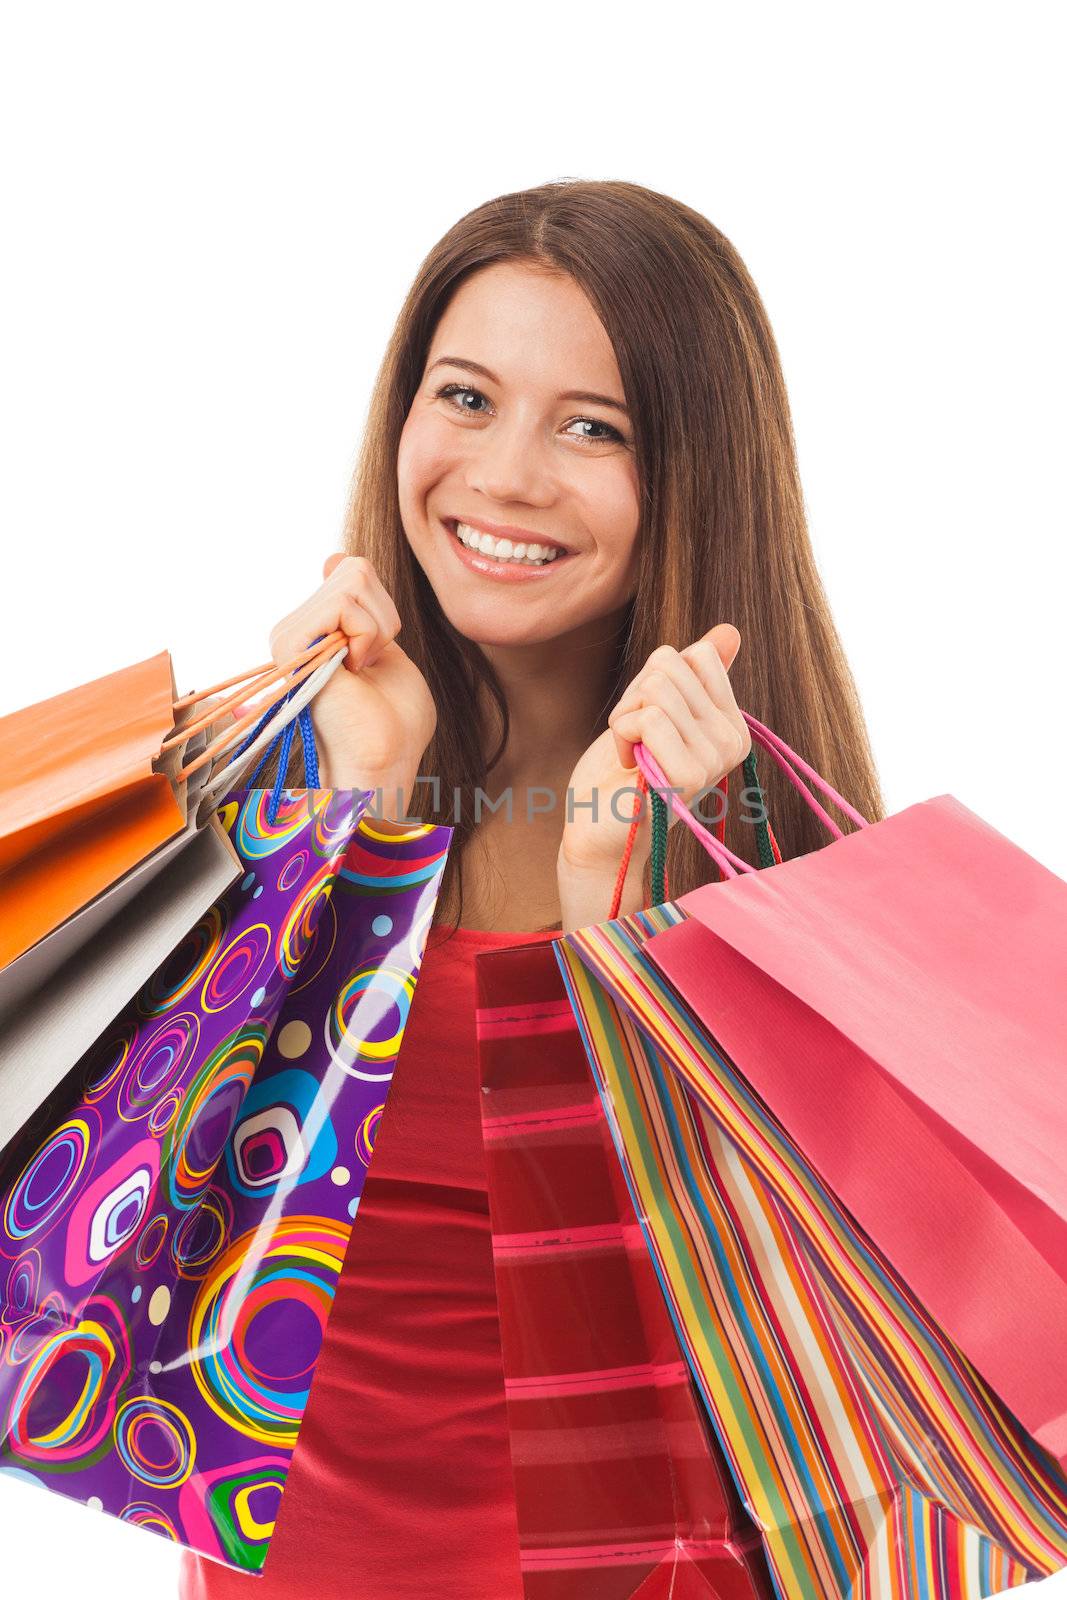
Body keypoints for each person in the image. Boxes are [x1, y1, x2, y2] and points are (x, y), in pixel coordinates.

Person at [180, 177, 884, 1598]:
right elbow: (152, 1244)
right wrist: (340, 836)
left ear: (695, 472)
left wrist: (622, 938)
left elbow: (784, 1373)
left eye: (593, 428)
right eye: (466, 397)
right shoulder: (263, 775)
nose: (503, 475)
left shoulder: (786, 865)